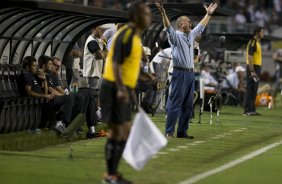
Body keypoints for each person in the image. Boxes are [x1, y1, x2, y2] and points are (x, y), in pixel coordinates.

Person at [99, 1, 152, 183]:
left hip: (122, 87)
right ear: (135, 17)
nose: (149, 17)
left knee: (124, 131)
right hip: (114, 87)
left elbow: (130, 65)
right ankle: (110, 175)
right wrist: (122, 88)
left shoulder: (135, 37)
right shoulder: (127, 35)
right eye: (146, 14)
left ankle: (112, 174)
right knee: (118, 131)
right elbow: (115, 63)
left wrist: (145, 76)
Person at [156, 2, 218, 138]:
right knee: (175, 103)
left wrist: (208, 14)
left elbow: (201, 27)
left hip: (190, 73)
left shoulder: (190, 35)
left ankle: (182, 132)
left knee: (188, 105)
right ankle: (169, 131)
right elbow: (167, 27)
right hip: (180, 73)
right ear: (180, 24)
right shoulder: (175, 36)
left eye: (190, 22)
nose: (190, 23)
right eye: (187, 22)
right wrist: (163, 14)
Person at [50, 56, 102, 139]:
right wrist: (67, 93)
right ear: (50, 64)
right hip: (62, 98)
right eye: (56, 65)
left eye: (59, 66)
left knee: (88, 92)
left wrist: (69, 92)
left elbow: (62, 89)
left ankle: (92, 129)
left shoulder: (57, 75)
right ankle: (95, 117)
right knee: (85, 95)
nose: (58, 68)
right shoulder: (50, 76)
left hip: (66, 95)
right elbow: (56, 90)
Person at [21, 56, 73, 134]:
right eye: (34, 66)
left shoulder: (33, 76)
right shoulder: (26, 75)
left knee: (70, 99)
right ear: (27, 67)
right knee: (67, 99)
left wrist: (44, 80)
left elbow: (45, 93)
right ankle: (59, 123)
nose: (36, 68)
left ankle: (60, 124)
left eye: (36, 65)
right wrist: (45, 96)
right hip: (40, 100)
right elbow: (29, 92)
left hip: (45, 99)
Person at [243, 27, 264, 116]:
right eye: (262, 32)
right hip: (252, 68)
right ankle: (247, 110)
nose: (263, 34)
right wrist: (252, 70)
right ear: (257, 33)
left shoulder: (258, 43)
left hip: (257, 67)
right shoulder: (253, 42)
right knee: (250, 89)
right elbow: (249, 57)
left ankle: (252, 110)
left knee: (254, 90)